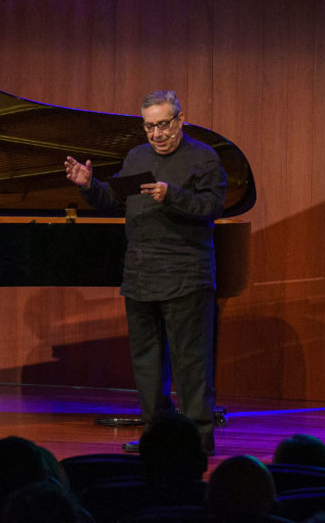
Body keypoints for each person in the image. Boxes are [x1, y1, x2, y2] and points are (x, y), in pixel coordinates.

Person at [64, 90, 226, 455]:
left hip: (186, 275)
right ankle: (156, 438)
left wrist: (172, 195)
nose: (157, 134)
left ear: (180, 120)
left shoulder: (204, 158)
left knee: (190, 364)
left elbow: (212, 207)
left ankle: (197, 442)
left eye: (164, 125)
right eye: (150, 127)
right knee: (148, 365)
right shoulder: (137, 157)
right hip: (140, 275)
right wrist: (90, 187)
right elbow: (115, 200)